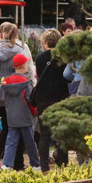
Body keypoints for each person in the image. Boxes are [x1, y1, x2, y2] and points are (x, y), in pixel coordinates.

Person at [0, 23, 28, 170]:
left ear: (3, 33)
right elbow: (23, 69)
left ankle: (9, 160)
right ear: (16, 35)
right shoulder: (19, 50)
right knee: (12, 127)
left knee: (8, 127)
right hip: (14, 90)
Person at [34, 29, 69, 171]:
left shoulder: (40, 58)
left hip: (43, 99)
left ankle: (44, 166)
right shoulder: (63, 58)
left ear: (46, 42)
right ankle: (62, 163)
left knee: (44, 134)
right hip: (60, 98)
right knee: (62, 133)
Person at [1, 53, 40, 170]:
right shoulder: (26, 82)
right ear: (24, 67)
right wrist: (35, 112)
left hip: (11, 116)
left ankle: (6, 164)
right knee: (30, 142)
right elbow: (31, 99)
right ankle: (35, 165)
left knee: (11, 142)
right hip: (25, 116)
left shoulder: (6, 82)